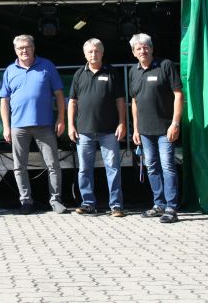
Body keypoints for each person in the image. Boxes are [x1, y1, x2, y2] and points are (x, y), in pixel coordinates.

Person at [0, 34, 67, 214]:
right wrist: (6, 126)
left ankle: (55, 200)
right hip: (18, 126)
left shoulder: (47, 66)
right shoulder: (10, 71)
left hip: (45, 125)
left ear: (33, 47)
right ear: (15, 50)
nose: (24, 50)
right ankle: (26, 202)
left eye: (27, 47)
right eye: (20, 48)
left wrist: (61, 118)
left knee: (53, 165)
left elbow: (59, 95)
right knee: (19, 166)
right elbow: (4, 100)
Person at [67, 38, 126, 217]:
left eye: (97, 51)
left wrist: (122, 123)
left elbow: (120, 100)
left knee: (113, 168)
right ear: (85, 54)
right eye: (90, 51)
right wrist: (71, 125)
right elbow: (72, 102)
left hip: (109, 130)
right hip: (84, 131)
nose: (94, 54)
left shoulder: (112, 72)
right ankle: (88, 203)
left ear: (102, 52)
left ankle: (116, 206)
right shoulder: (79, 74)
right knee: (84, 169)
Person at [129, 33, 183, 224]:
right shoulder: (133, 71)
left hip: (165, 129)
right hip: (145, 131)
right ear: (134, 52)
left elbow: (178, 95)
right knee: (151, 167)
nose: (142, 51)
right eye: (138, 48)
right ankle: (159, 204)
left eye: (146, 47)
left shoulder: (165, 65)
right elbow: (134, 101)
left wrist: (175, 123)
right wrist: (136, 129)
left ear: (152, 49)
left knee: (167, 166)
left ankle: (171, 208)